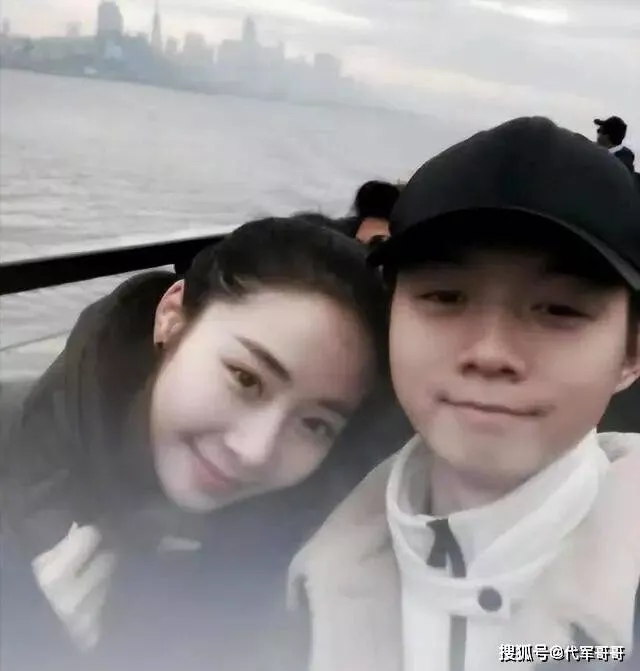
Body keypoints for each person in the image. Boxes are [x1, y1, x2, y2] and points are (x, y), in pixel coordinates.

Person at [286, 117, 640, 671]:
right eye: (445, 296)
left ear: (631, 353)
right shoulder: (298, 562)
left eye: (559, 309)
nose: (490, 352)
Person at [0, 215, 390, 671]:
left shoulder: (320, 557)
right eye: (246, 379)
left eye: (315, 425)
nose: (255, 451)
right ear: (172, 319)